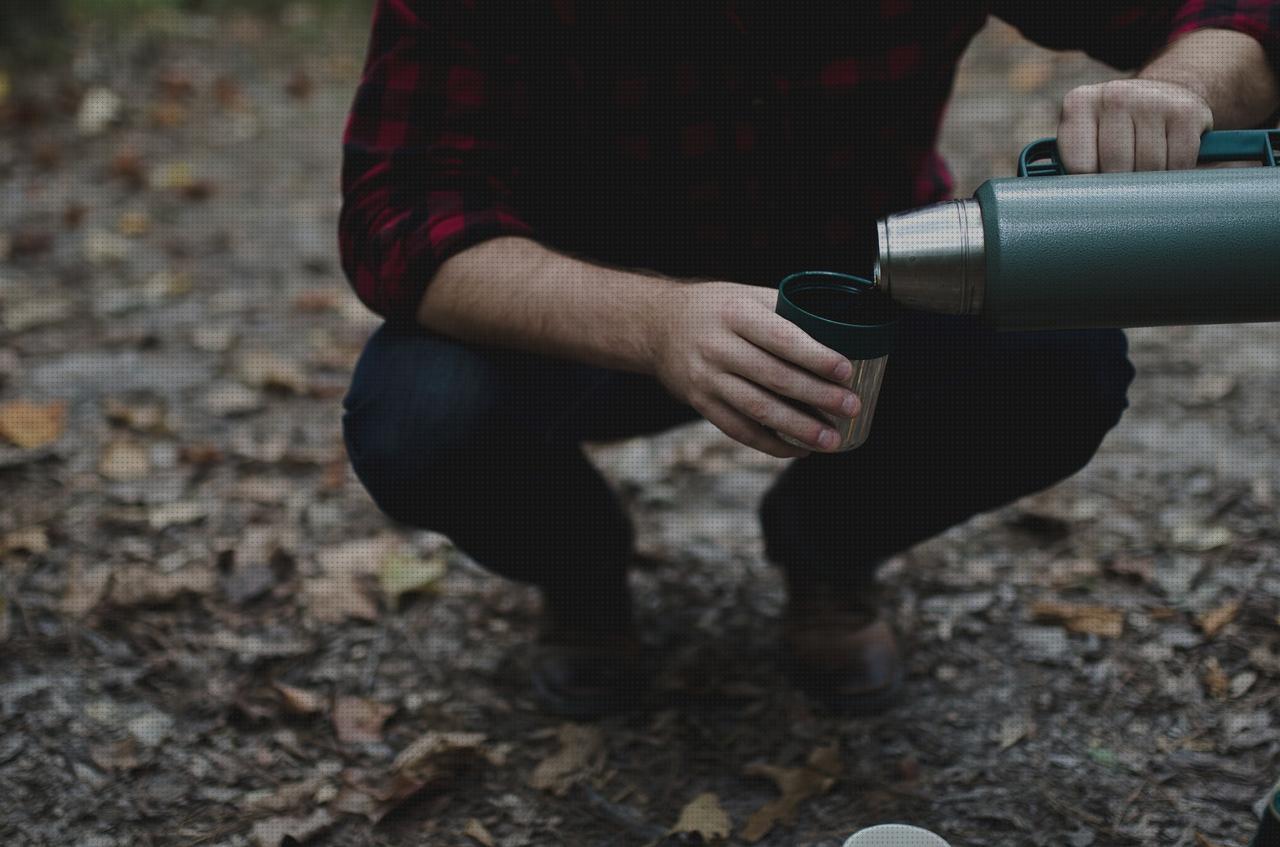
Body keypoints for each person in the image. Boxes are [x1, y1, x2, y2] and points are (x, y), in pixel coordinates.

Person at [339, 1, 1280, 718]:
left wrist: (1187, 85)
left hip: (864, 284)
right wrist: (659, 323)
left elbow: (1233, 12)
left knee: (1062, 362)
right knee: (421, 419)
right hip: (576, 311)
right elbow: (399, 213)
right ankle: (580, 573)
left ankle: (830, 550)